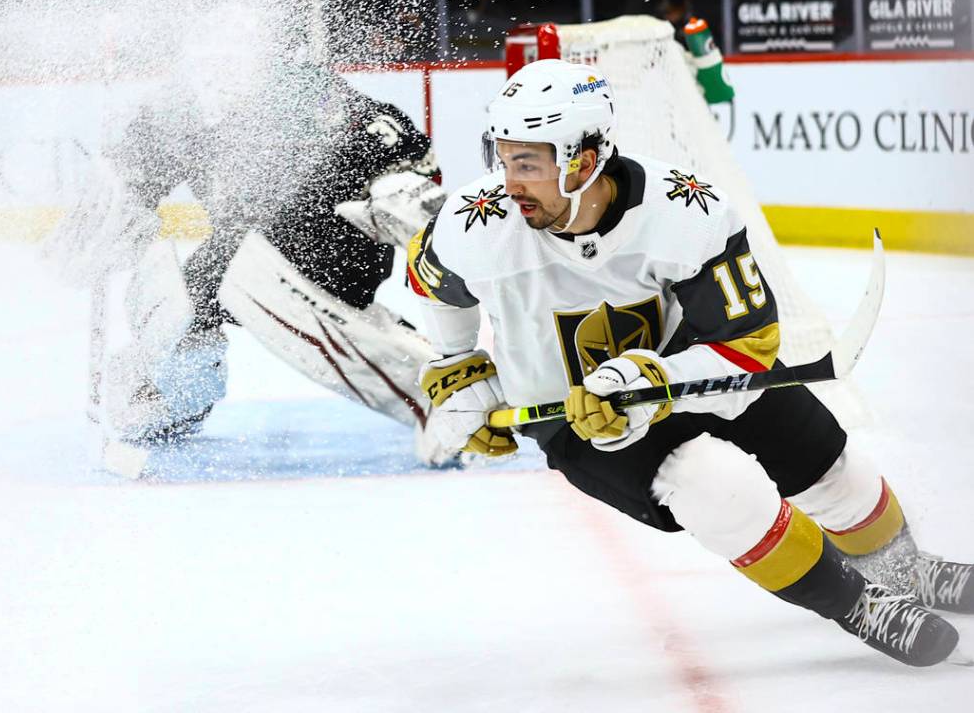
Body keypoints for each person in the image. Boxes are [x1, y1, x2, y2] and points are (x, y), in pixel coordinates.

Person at [407, 58, 972, 667]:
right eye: (503, 156)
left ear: (584, 160)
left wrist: (652, 379)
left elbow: (747, 343)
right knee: (718, 487)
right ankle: (858, 603)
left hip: (695, 373)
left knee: (831, 468)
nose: (508, 181)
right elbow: (432, 283)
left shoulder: (686, 210)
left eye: (529, 163)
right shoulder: (476, 223)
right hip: (579, 421)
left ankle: (906, 570)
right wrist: (458, 363)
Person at [49, 66, 447, 459]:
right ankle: (175, 401)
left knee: (250, 277)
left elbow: (407, 168)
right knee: (182, 305)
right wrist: (100, 224)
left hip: (336, 249)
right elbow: (126, 200)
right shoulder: (181, 115)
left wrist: (397, 197)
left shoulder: (315, 98)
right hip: (242, 246)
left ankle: (450, 400)